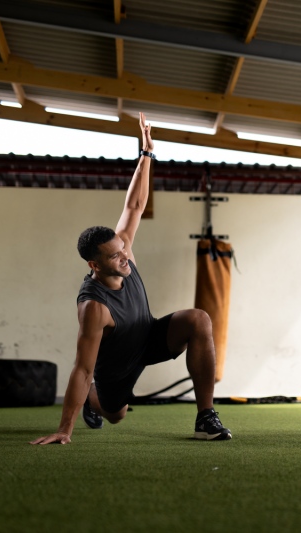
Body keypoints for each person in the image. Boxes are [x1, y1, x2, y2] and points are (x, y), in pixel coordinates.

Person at [31, 113, 231, 445]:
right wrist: (64, 429)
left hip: (149, 335)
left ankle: (205, 417)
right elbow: (82, 368)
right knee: (116, 414)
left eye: (123, 249)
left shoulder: (124, 251)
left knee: (199, 319)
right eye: (115, 256)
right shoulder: (94, 307)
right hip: (117, 366)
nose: (125, 257)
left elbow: (135, 205)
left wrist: (147, 154)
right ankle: (96, 401)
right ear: (95, 265)